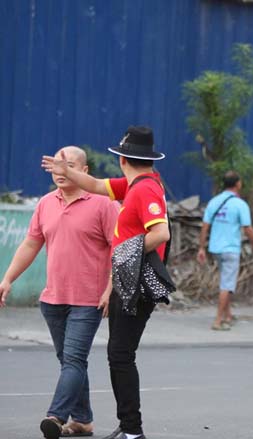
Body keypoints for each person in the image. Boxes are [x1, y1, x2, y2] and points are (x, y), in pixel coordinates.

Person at [42, 126, 171, 439]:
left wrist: (126, 252)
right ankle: (128, 427)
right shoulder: (136, 184)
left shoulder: (144, 189)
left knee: (121, 356)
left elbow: (161, 232)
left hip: (136, 282)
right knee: (119, 354)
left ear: (124, 159)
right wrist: (68, 171)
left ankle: (132, 430)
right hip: (129, 280)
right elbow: (97, 185)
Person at [0, 146, 118, 439]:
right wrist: (7, 278)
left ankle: (56, 416)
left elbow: (121, 249)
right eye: (56, 165)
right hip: (52, 300)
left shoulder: (103, 204)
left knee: (74, 360)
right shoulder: (45, 204)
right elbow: (31, 244)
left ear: (84, 171)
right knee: (70, 362)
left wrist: (111, 288)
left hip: (88, 300)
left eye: (69, 165)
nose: (61, 171)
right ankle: (83, 421)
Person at [197, 171, 253, 331]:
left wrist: (201, 248)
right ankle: (218, 321)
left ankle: (227, 315)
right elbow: (248, 230)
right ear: (238, 184)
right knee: (227, 284)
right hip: (230, 249)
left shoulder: (214, 201)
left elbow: (205, 226)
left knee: (225, 280)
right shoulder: (240, 205)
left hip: (215, 249)